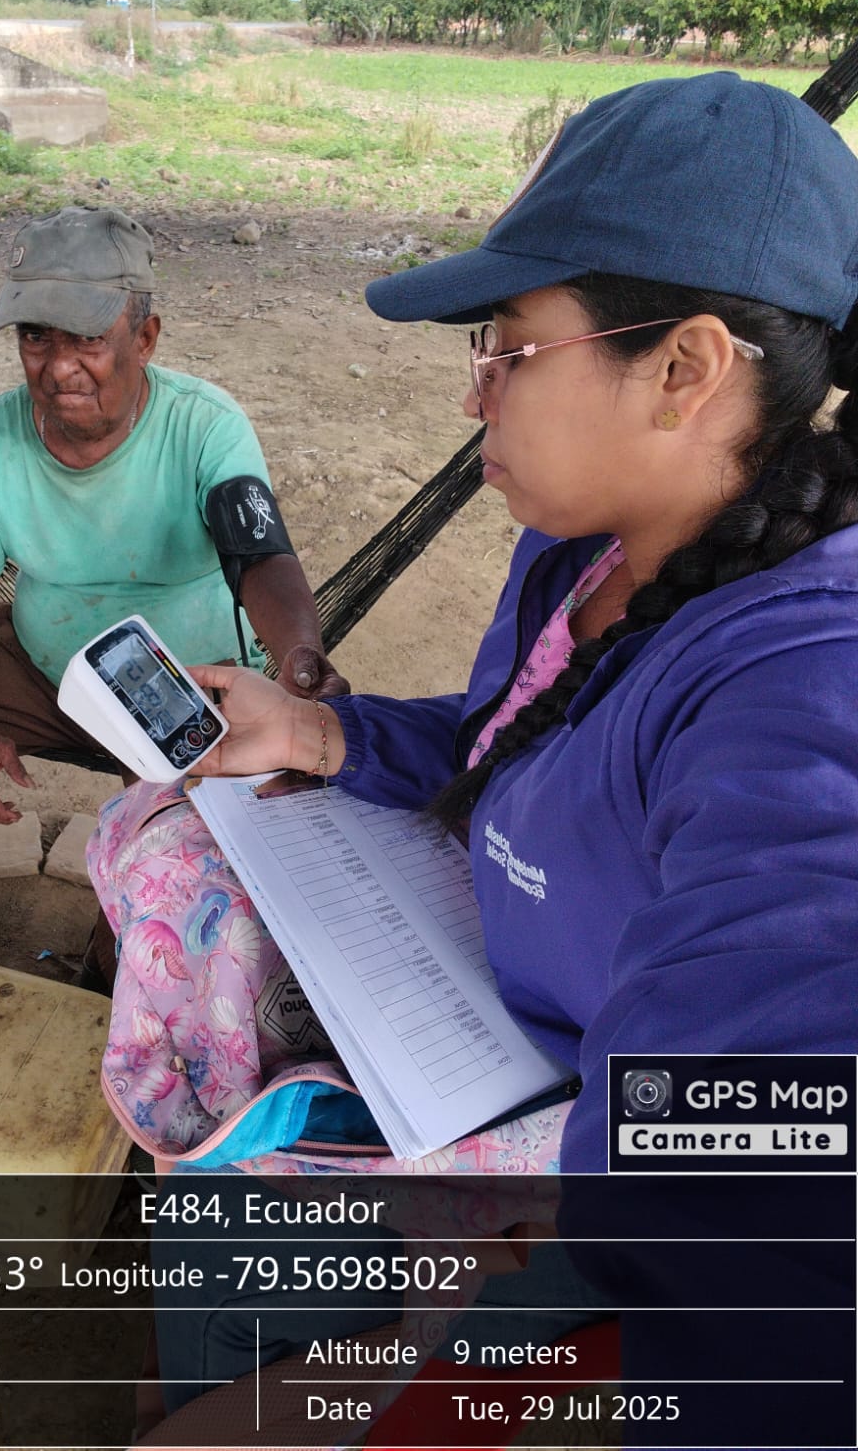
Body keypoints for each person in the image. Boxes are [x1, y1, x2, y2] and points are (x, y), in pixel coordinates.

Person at [86, 72, 858, 1177]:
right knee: (165, 830)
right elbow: (524, 737)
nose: (473, 396)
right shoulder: (586, 548)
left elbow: (759, 1130)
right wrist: (318, 733)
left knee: (269, 1207)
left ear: (684, 370)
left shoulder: (807, 682)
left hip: (591, 1107)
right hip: (487, 980)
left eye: (509, 351)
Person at [0, 205, 345, 922]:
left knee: (173, 864)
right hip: (46, 668)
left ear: (145, 338)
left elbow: (262, 559)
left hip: (184, 681)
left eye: (87, 338)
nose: (58, 367)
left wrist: (298, 657)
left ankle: (120, 967)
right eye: (36, 337)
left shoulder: (205, 426)